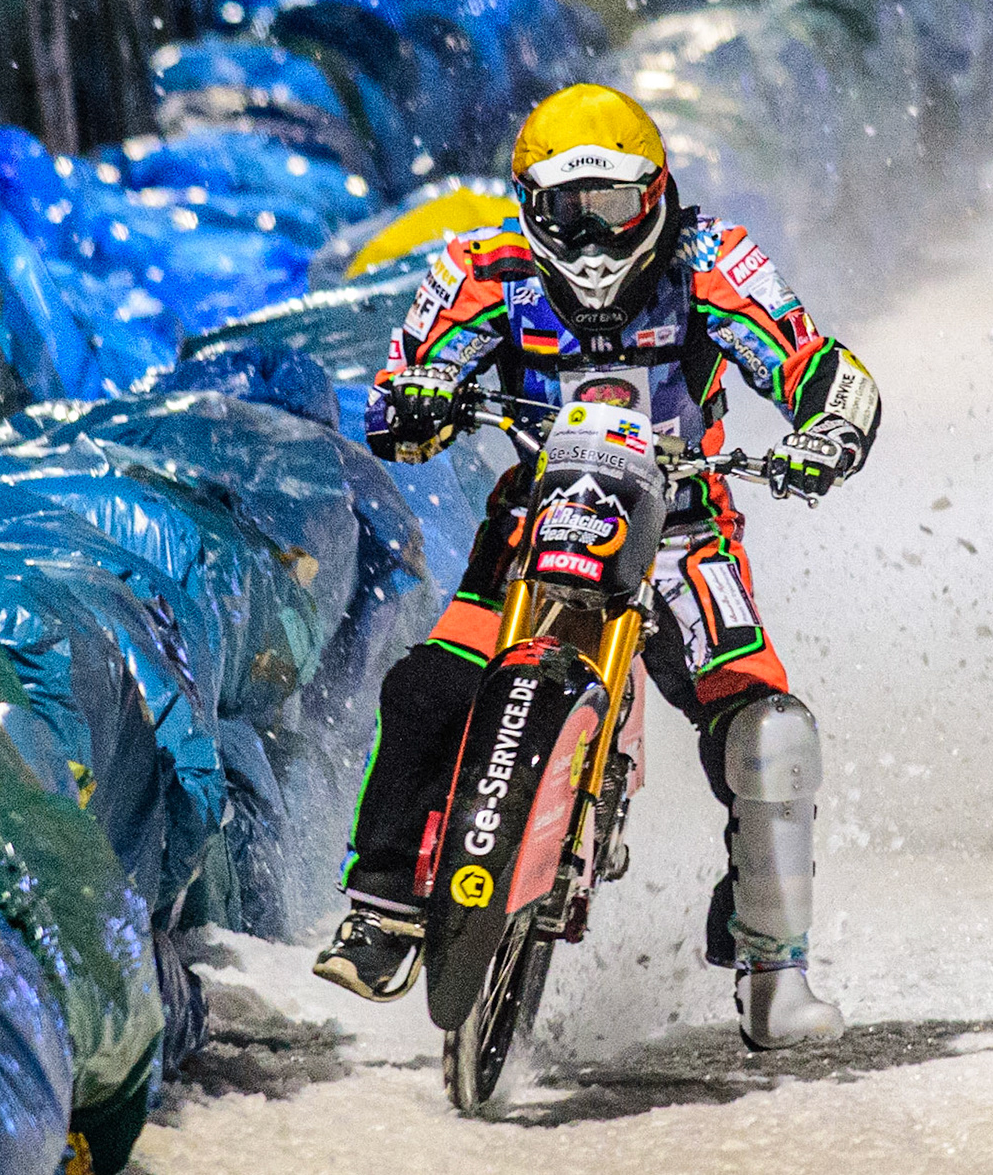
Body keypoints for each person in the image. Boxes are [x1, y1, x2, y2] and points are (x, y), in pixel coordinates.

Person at [313, 83, 880, 1048]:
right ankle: (379, 911)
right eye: (566, 211)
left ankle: (776, 974)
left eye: (613, 207)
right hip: (535, 518)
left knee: (770, 735)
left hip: (688, 527)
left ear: (656, 196)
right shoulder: (482, 268)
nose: (591, 237)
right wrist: (416, 404)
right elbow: (403, 377)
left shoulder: (714, 262)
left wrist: (826, 429)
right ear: (528, 207)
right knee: (422, 687)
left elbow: (815, 364)